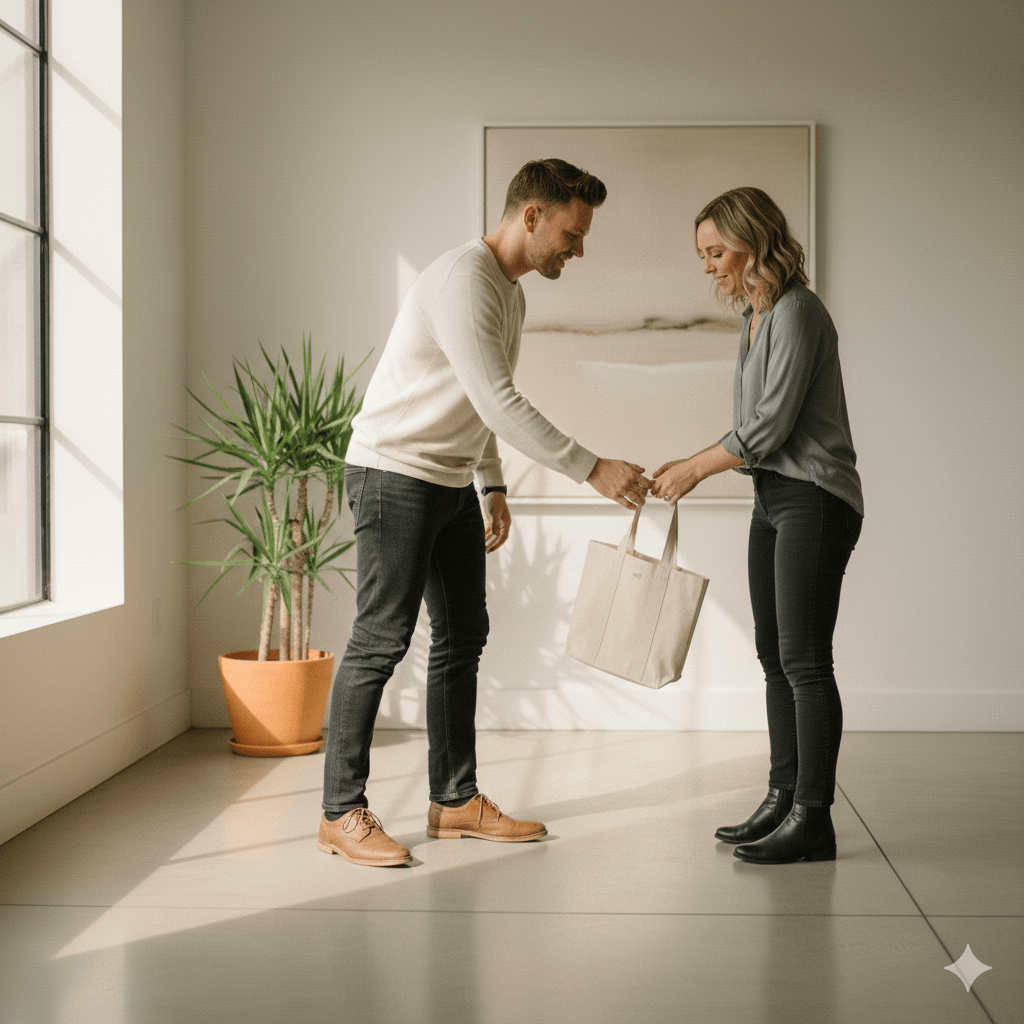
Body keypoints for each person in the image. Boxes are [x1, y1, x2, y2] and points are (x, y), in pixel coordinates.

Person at [319, 159, 651, 867]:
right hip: (393, 474)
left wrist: (491, 483)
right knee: (380, 640)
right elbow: (500, 401)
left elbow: (478, 398)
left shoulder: (512, 295)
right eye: (571, 232)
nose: (578, 249)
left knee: (463, 635)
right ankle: (340, 812)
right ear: (530, 216)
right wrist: (592, 467)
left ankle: (453, 801)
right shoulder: (463, 280)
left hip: (447, 482)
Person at [650, 186, 863, 864]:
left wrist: (693, 467)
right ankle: (781, 798)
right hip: (773, 497)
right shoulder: (756, 314)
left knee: (804, 659)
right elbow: (757, 431)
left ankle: (814, 818)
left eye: (716, 251)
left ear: (754, 242)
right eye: (703, 255)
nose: (709, 265)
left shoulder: (798, 312)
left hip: (815, 499)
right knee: (774, 657)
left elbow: (767, 424)